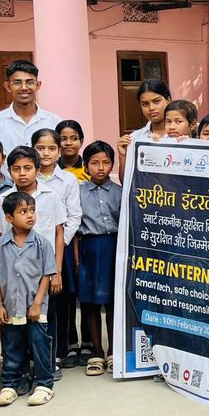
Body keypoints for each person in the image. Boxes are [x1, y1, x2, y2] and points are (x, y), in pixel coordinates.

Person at [0, 146, 65, 393]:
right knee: (14, 332)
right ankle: (17, 375)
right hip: (13, 283)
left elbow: (59, 233)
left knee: (42, 326)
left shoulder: (51, 196)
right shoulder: (3, 201)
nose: (22, 173)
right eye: (16, 169)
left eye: (27, 168)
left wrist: (57, 272)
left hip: (42, 274)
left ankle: (46, 372)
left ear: (37, 169)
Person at [0, 191, 57, 407]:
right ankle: (10, 384)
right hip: (11, 306)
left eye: (32, 210)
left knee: (39, 343)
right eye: (23, 212)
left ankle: (44, 384)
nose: (30, 215)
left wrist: (37, 303)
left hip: (36, 307)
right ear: (9, 218)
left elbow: (47, 275)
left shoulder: (42, 243)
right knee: (11, 345)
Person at [32, 128, 83, 372]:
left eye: (51, 148)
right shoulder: (27, 177)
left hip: (60, 247)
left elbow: (74, 216)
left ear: (59, 151)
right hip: (29, 249)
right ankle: (34, 352)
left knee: (60, 301)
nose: (46, 153)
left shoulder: (68, 180)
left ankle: (59, 351)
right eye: (40, 148)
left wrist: (58, 243)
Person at [77, 141, 121, 378]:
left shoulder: (120, 192)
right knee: (90, 301)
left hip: (113, 246)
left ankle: (113, 351)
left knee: (113, 301)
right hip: (89, 248)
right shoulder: (78, 192)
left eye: (106, 162)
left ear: (112, 164)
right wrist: (76, 259)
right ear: (86, 166)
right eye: (94, 163)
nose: (100, 167)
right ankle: (96, 351)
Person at [0, 60, 60, 165]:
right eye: (17, 82)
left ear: (38, 85)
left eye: (29, 82)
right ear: (8, 86)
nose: (24, 87)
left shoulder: (54, 122)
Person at [117, 79, 171, 166]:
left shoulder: (183, 135)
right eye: (145, 104)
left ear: (168, 100)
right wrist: (122, 156)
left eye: (156, 102)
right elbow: (127, 175)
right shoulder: (134, 138)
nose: (151, 108)